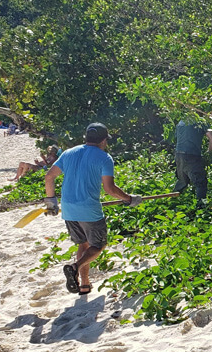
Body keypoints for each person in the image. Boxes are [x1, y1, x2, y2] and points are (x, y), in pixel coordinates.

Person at [44, 123, 142, 295]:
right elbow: (109, 189)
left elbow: (49, 177)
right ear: (104, 141)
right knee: (98, 246)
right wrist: (129, 199)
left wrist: (51, 202)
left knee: (84, 244)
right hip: (89, 210)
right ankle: (74, 267)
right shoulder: (104, 158)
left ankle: (84, 284)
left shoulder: (68, 153)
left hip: (68, 209)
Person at [172, 119, 212, 206]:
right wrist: (209, 152)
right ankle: (201, 208)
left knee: (182, 181)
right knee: (200, 182)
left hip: (178, 155)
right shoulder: (201, 122)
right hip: (192, 155)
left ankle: (171, 204)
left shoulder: (181, 122)